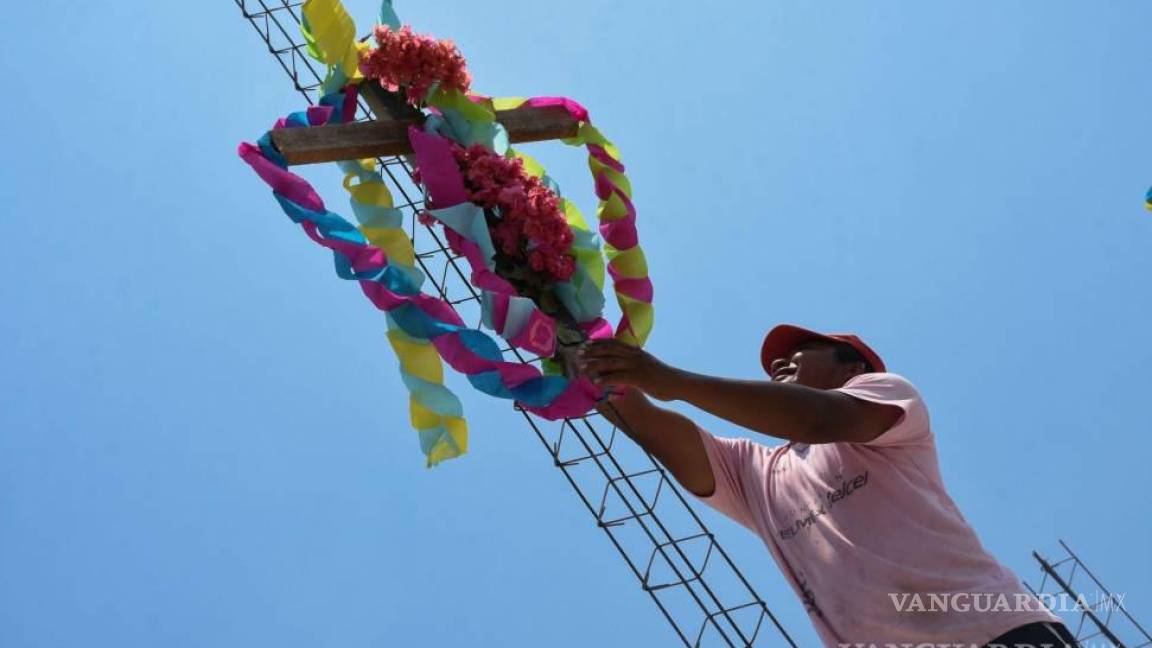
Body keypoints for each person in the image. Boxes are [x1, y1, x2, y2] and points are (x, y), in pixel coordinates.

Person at [576, 323, 1077, 648]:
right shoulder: (757, 473)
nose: (777, 365)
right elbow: (648, 422)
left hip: (997, 633)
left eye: (800, 351)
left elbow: (818, 420)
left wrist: (674, 381)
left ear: (853, 367)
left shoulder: (887, 399)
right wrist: (581, 352)